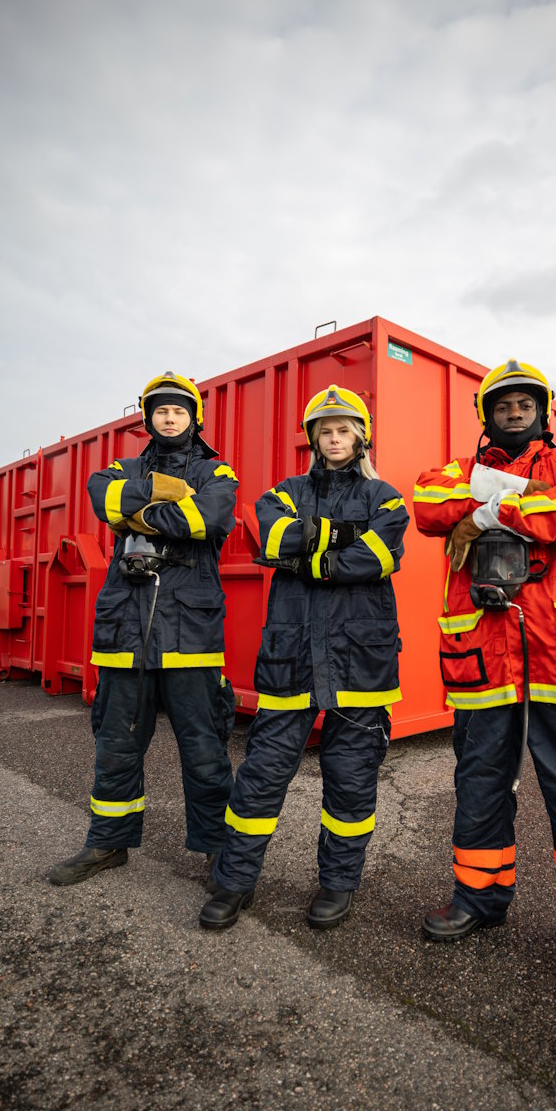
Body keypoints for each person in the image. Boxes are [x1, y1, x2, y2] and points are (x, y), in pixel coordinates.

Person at [413, 359, 556, 998]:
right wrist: (512, 506)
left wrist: (485, 516)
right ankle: (478, 899)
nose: (513, 411)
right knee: (481, 784)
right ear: (486, 414)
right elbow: (428, 502)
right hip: (484, 662)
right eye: (502, 403)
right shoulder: (455, 470)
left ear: (543, 409)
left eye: (524, 402)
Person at [199, 384, 409, 932]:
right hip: (291, 659)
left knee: (351, 781)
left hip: (361, 665)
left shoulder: (386, 498)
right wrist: (339, 539)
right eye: (325, 431)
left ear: (361, 436)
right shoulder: (284, 492)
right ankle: (234, 882)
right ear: (313, 439)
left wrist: (309, 557)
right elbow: (271, 534)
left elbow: (378, 556)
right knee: (261, 778)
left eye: (344, 429)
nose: (335, 438)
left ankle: (338, 886)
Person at [49, 371, 238, 886]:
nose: (169, 417)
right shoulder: (121, 467)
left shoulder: (217, 472)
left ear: (194, 418)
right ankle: (107, 843)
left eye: (179, 410)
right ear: (148, 417)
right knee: (115, 748)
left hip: (189, 638)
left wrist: (137, 515)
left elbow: (209, 520)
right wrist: (158, 494)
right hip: (125, 637)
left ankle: (217, 852)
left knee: (204, 751)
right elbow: (102, 497)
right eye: (160, 410)